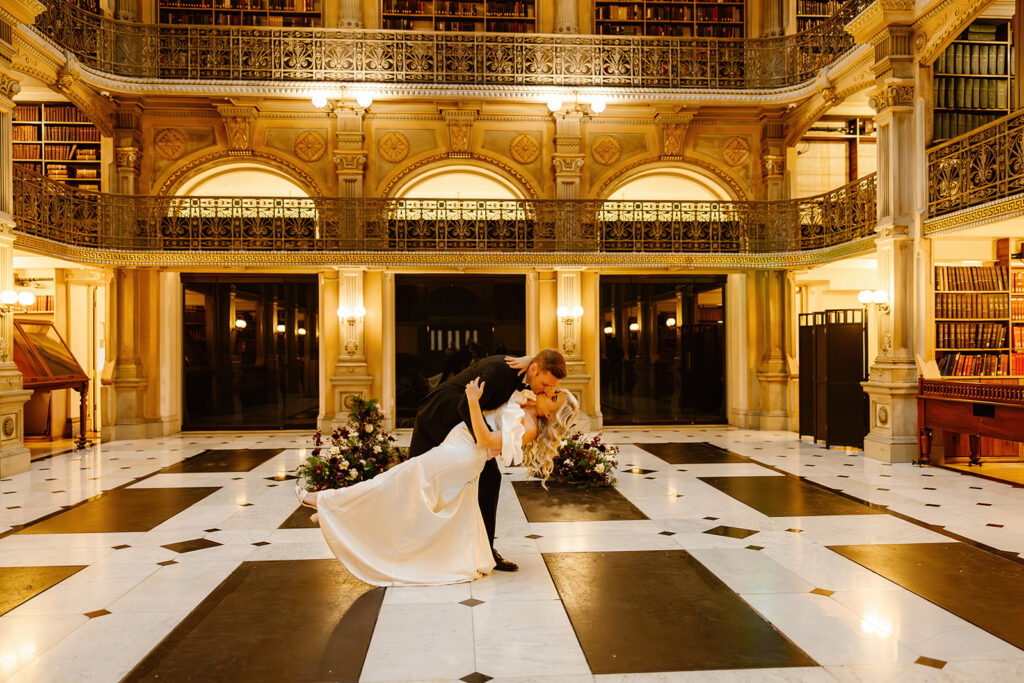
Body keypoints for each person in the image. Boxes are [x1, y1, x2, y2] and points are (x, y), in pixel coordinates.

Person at [296, 378, 578, 586]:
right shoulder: (527, 401)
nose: (549, 393)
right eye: (554, 391)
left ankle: (328, 501)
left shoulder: (529, 428)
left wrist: (471, 400)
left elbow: (485, 440)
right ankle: (346, 512)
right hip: (456, 449)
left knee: (395, 481)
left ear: (552, 414)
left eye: (554, 398)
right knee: (409, 492)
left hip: (461, 456)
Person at [409, 349, 567, 572]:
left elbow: (548, 356)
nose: (547, 390)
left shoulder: (529, 375)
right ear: (534, 370)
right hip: (437, 416)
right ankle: (411, 542)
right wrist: (485, 444)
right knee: (413, 480)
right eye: (545, 384)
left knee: (490, 479)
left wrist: (531, 358)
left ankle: (485, 549)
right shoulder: (497, 372)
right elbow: (465, 404)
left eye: (552, 387)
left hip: (460, 424)